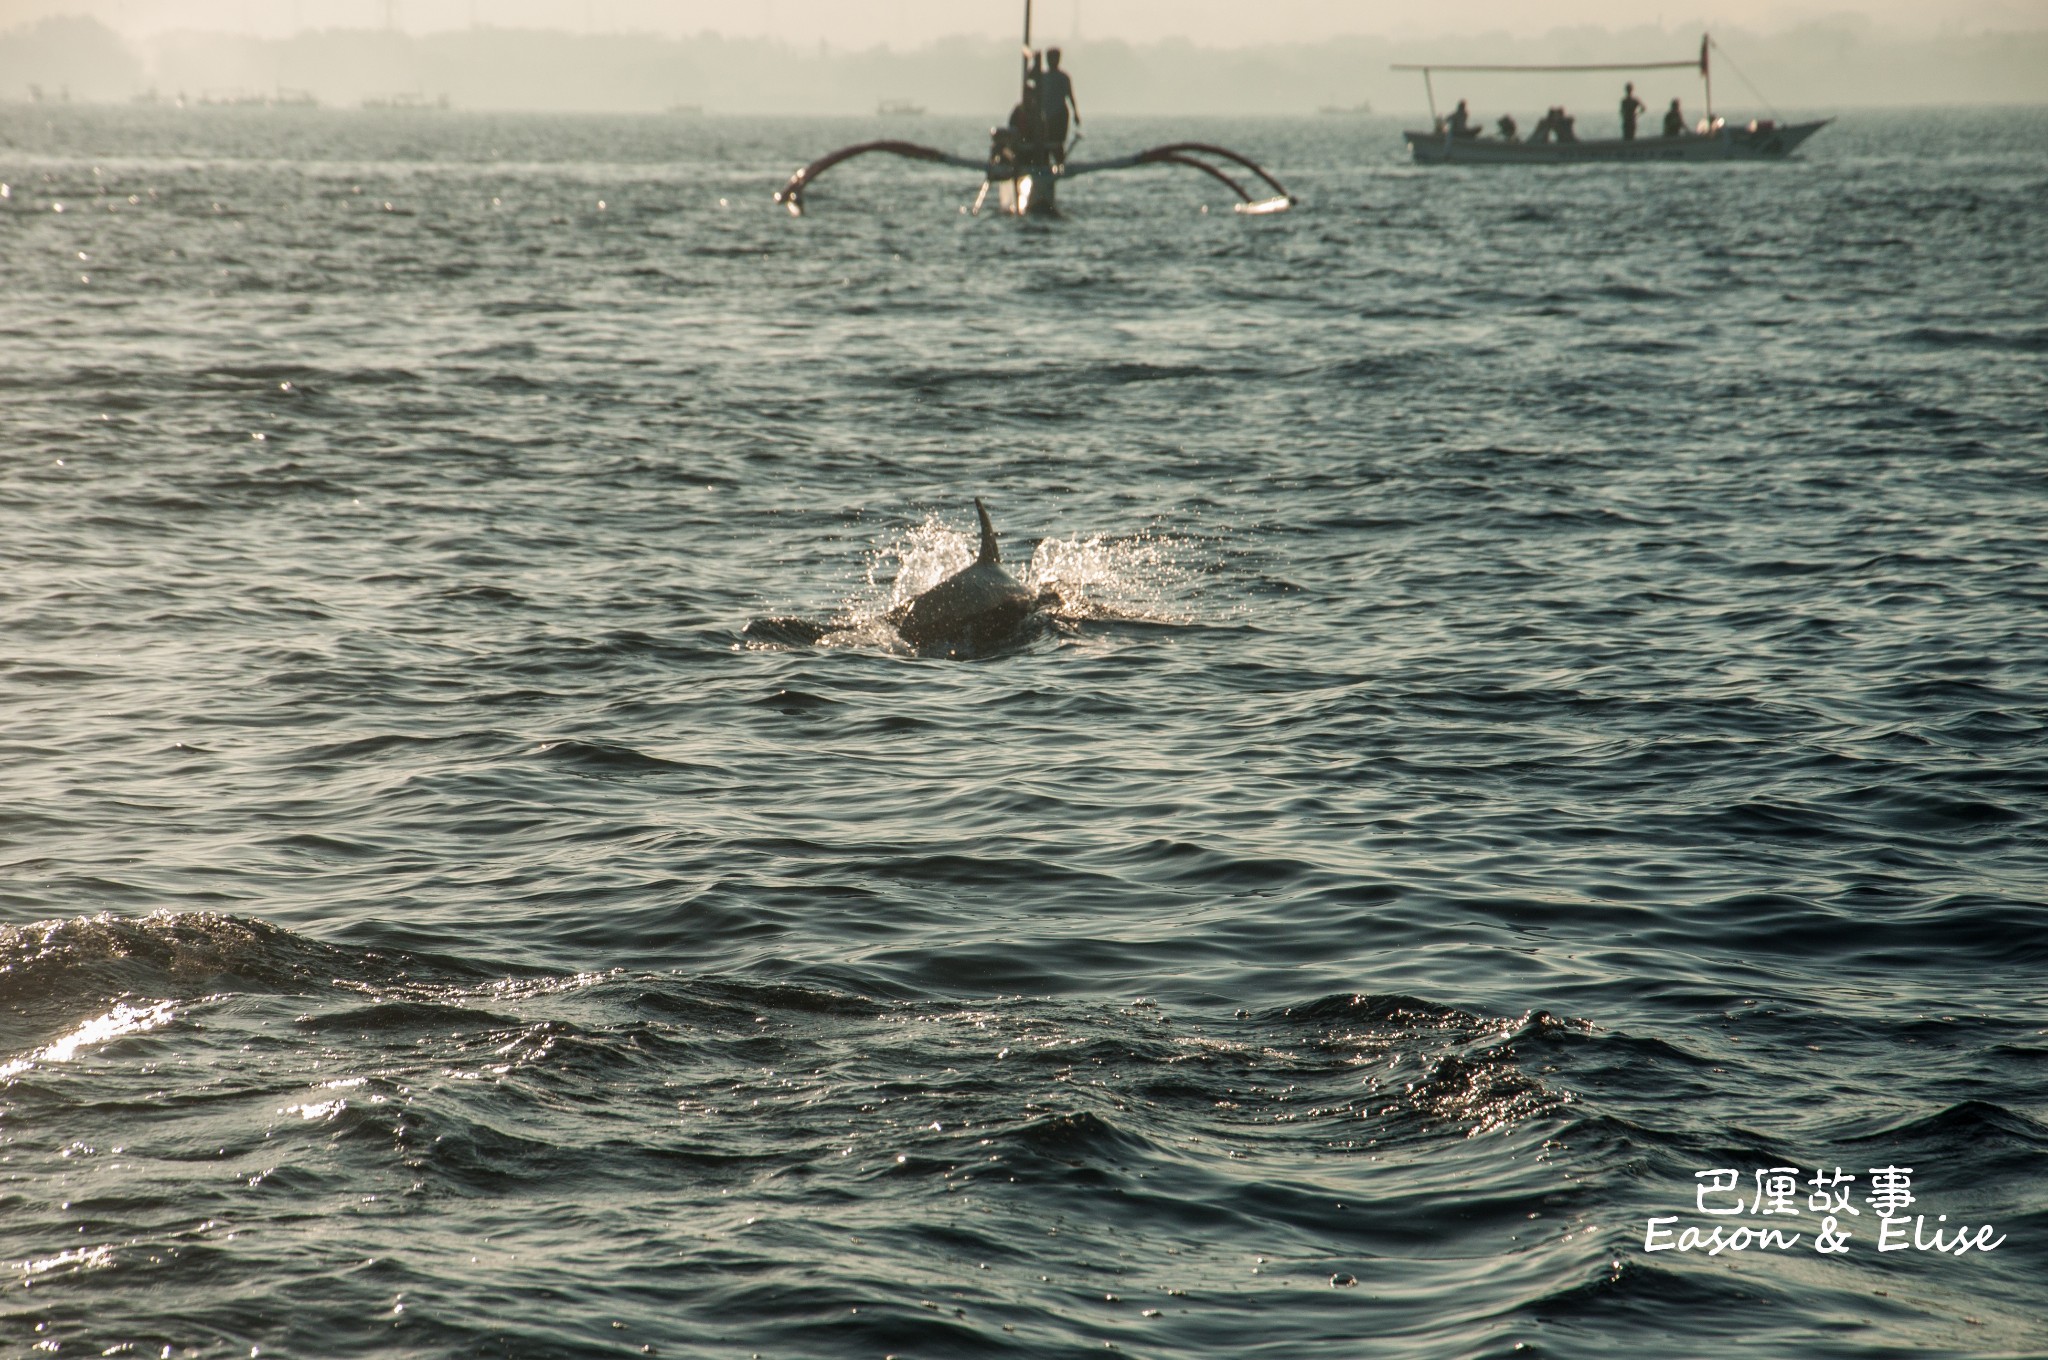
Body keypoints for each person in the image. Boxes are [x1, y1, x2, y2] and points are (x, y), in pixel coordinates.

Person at [1039, 47, 1079, 157]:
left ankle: (1059, 163)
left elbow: (1070, 96)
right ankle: (1045, 166)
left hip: (1060, 114)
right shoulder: (1042, 77)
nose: (1051, 61)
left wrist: (1076, 113)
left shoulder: (1063, 77)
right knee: (1045, 143)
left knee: (1057, 143)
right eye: (1049, 58)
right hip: (1046, 116)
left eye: (1053, 58)